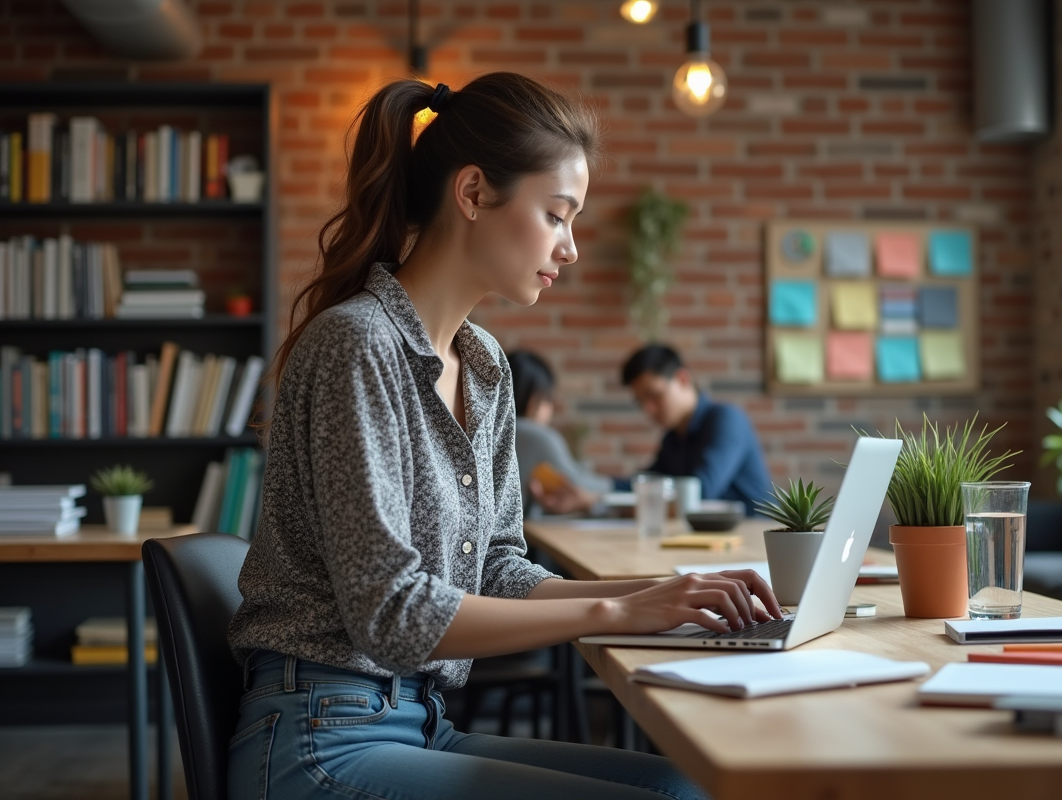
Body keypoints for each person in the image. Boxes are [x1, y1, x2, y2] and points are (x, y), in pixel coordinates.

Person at [226, 73, 781, 800]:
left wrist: (664, 591)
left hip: (418, 722)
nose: (571, 248)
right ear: (474, 193)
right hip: (320, 740)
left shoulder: (484, 366)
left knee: (685, 786)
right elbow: (391, 614)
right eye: (557, 215)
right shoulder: (357, 346)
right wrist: (617, 611)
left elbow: (495, 570)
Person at [621, 344, 772, 512]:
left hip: (753, 531)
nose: (648, 409)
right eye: (641, 402)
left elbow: (701, 491)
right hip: (705, 534)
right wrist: (600, 488)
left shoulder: (727, 420)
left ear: (683, 379)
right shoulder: (673, 438)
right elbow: (650, 482)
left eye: (654, 395)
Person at [508, 349, 612, 517]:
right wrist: (622, 486)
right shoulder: (537, 436)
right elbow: (578, 485)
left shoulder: (489, 431)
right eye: (548, 399)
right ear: (535, 400)